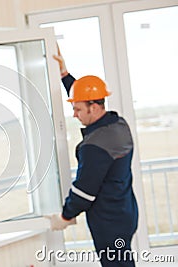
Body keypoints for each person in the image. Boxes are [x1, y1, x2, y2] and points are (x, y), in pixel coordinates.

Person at [49, 49, 138, 266]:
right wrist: (65, 75)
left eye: (78, 109)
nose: (74, 114)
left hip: (109, 221)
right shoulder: (118, 124)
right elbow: (85, 95)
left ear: (95, 107)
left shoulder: (95, 146)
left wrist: (65, 217)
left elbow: (84, 192)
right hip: (125, 212)